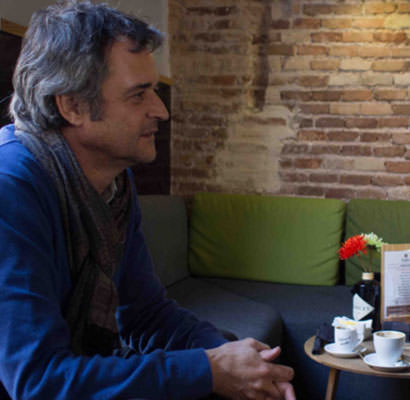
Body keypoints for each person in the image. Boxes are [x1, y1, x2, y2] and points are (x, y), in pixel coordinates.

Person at [0, 2, 295, 399]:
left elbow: (145, 315)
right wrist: (208, 369)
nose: (161, 110)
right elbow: (38, 381)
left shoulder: (114, 183)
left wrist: (229, 354)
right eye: (139, 95)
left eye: (154, 90)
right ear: (72, 106)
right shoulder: (10, 189)